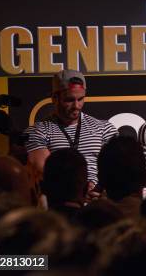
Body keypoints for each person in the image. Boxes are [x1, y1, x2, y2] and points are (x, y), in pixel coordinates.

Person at [25, 69, 118, 197]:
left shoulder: (104, 128)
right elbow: (46, 173)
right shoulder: (38, 131)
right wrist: (80, 190)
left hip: (99, 201)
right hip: (62, 203)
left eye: (80, 99)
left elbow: (117, 168)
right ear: (54, 98)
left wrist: (100, 188)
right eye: (69, 100)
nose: (76, 106)